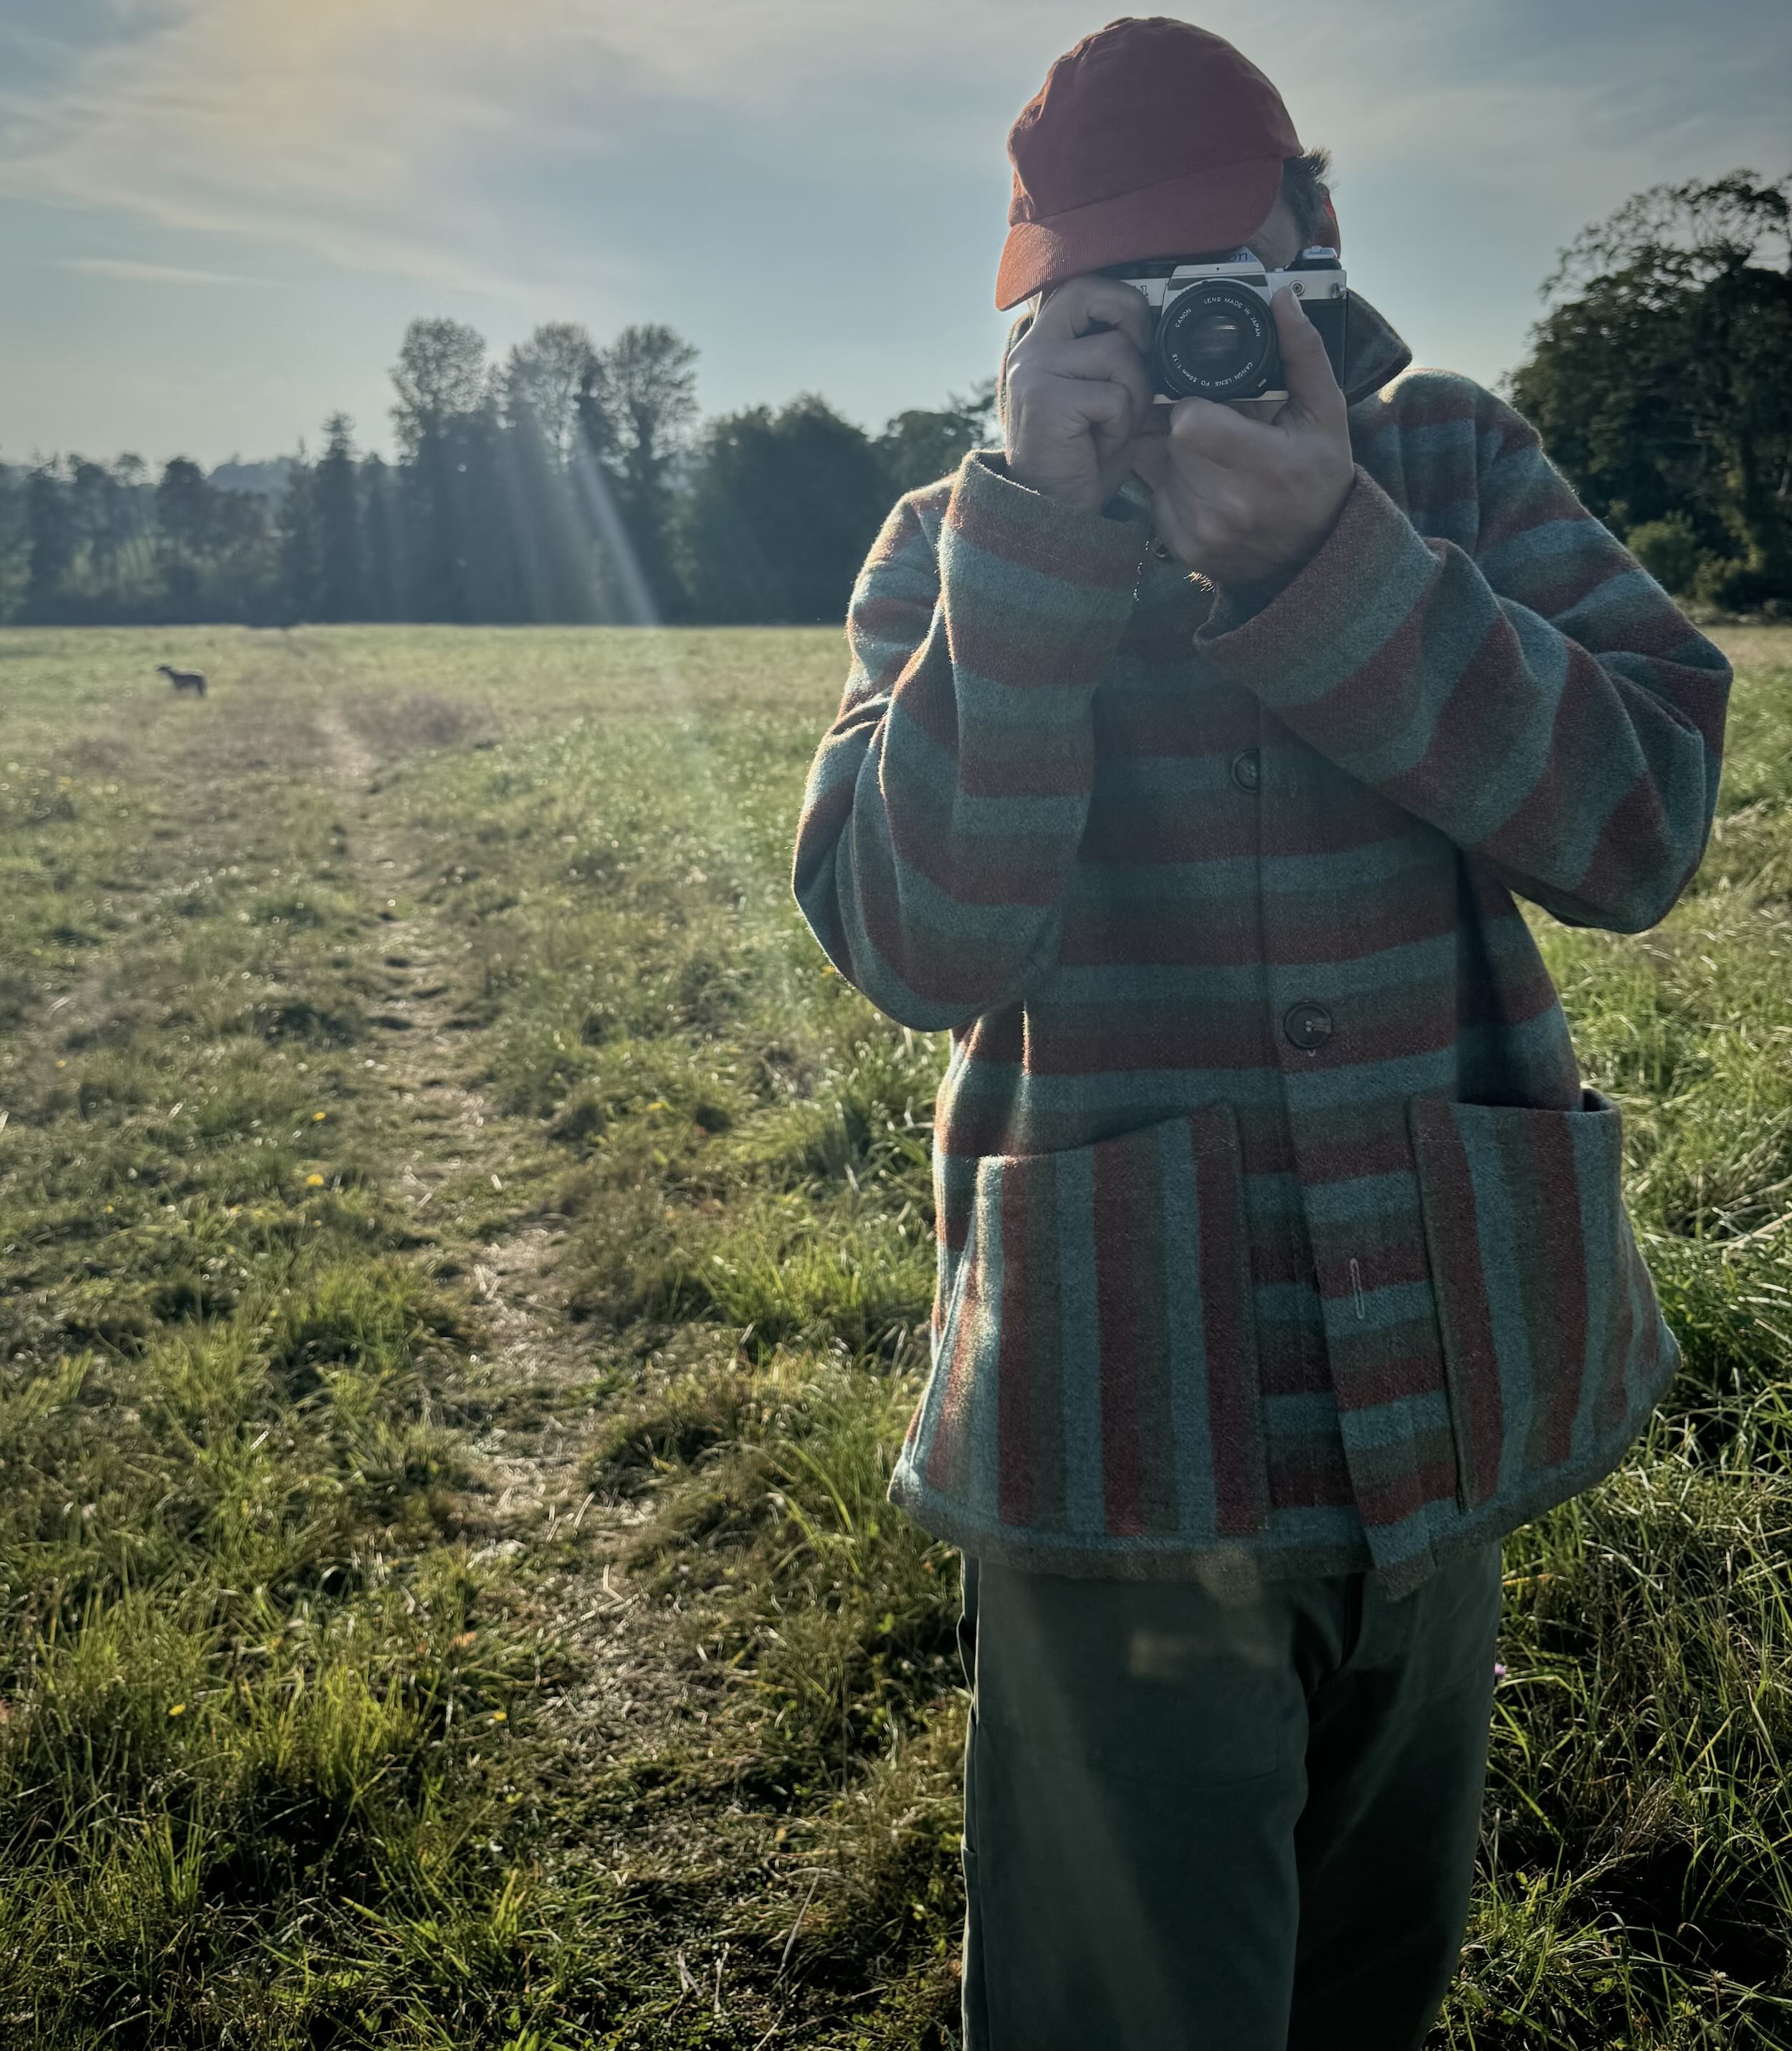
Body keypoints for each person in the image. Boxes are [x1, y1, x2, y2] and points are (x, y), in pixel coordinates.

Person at [791, 17, 1731, 2050]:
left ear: (1312, 243)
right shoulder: (949, 551)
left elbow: (1643, 821)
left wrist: (1334, 564)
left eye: (1206, 287)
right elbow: (919, 939)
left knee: (1367, 1985)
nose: (1167, 349)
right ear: (1029, 324)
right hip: (1122, 1441)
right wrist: (1032, 560)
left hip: (1447, 1404)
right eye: (1104, 307)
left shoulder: (1454, 465)